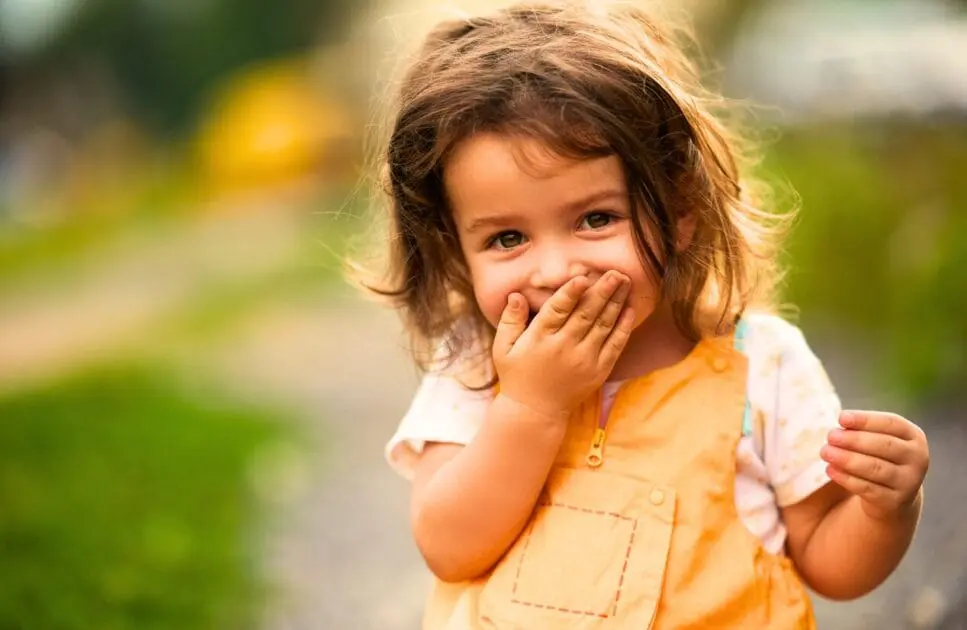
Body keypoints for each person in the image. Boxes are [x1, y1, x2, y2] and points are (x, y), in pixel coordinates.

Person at [363, 2, 930, 627]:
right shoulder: (477, 361)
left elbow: (829, 565)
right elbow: (449, 547)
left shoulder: (760, 362)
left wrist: (886, 510)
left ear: (680, 208)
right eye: (506, 238)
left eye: (596, 219)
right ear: (455, 248)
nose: (554, 270)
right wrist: (530, 407)